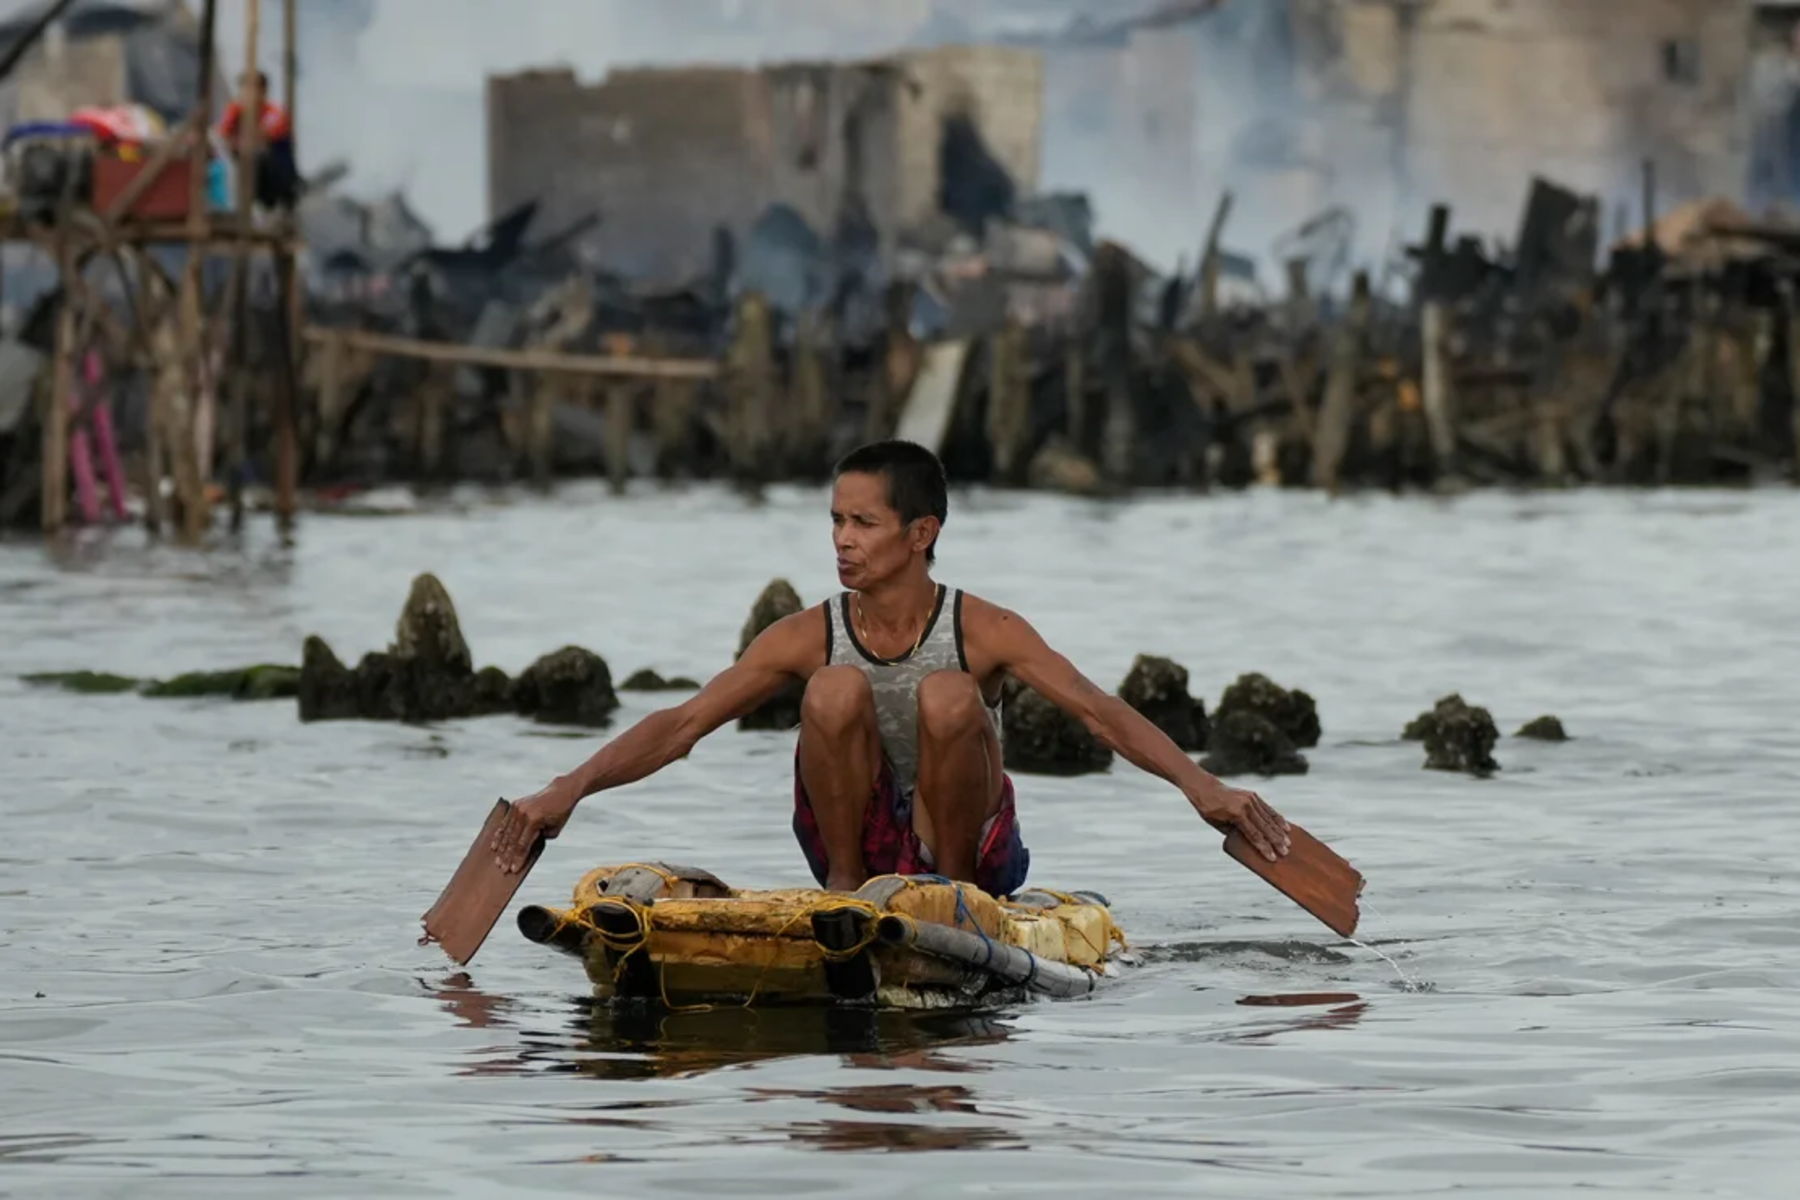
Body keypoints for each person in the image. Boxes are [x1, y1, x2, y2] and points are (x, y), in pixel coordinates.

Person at [493, 440, 1290, 891]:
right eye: (836, 520)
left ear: (919, 534)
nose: (842, 539)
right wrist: (567, 791)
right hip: (857, 850)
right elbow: (683, 723)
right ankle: (844, 889)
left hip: (971, 853)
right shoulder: (810, 633)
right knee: (834, 688)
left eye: (863, 522)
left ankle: (946, 894)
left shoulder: (986, 627)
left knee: (950, 696)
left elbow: (1097, 710)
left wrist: (1203, 787)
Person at [216, 70, 299, 210]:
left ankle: (272, 203)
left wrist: (241, 140)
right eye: (243, 90)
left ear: (262, 91)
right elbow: (222, 133)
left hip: (273, 171)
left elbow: (262, 138)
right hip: (247, 163)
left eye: (250, 90)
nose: (245, 95)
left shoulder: (274, 113)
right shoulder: (235, 110)